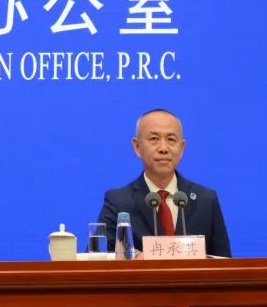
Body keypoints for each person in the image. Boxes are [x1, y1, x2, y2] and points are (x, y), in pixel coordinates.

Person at [97, 109, 232, 257]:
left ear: (182, 148)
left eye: (171, 140)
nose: (163, 148)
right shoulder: (118, 202)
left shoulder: (206, 200)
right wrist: (134, 257)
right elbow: (97, 259)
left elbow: (224, 262)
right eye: (154, 139)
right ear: (137, 147)